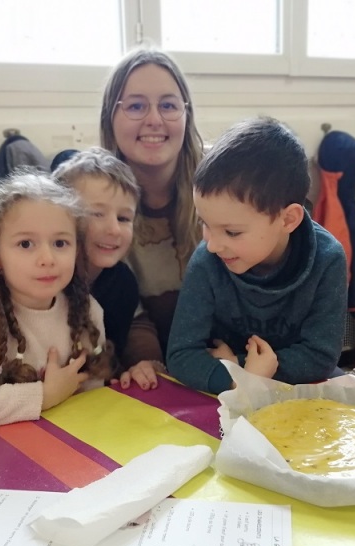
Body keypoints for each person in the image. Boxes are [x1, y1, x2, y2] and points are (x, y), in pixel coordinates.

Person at [166, 117, 348, 395]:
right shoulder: (208, 259)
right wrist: (238, 380)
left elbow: (321, 357)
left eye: (232, 232)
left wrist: (245, 371)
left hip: (295, 393)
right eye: (204, 223)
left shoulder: (327, 259)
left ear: (288, 219)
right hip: (224, 393)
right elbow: (180, 354)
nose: (212, 244)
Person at [0, 169, 113, 432]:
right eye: (26, 244)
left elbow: (93, 405)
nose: (47, 258)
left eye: (60, 243)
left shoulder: (88, 311)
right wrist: (45, 396)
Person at [100, 47, 204, 382]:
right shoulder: (88, 200)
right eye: (135, 106)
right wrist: (149, 363)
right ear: (110, 118)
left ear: (186, 115)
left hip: (222, 362)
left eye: (168, 105)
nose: (154, 120)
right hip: (135, 376)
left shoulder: (222, 187)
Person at [53, 147, 158, 390]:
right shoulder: (39, 279)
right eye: (97, 214)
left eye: (124, 218)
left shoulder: (123, 286)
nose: (114, 229)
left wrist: (135, 370)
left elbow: (107, 367)